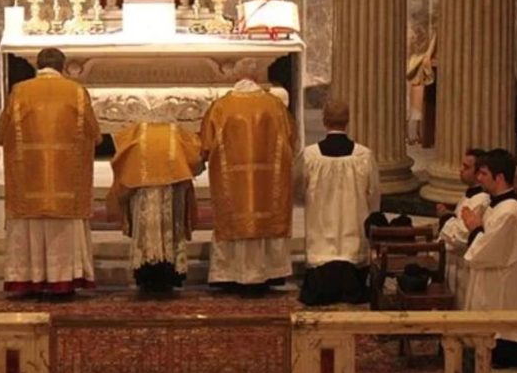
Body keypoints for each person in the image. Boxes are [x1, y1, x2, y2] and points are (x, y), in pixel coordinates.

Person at [0, 48, 102, 297]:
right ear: (63, 67)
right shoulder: (76, 91)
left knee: (29, 222)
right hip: (66, 181)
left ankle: (28, 278)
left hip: (29, 181)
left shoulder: (20, 91)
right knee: (64, 224)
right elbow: (94, 134)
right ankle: (63, 278)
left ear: (38, 65)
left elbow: (1, 134)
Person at [200, 58, 297, 294]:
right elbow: (291, 139)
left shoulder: (222, 107)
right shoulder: (274, 106)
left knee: (235, 218)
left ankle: (230, 272)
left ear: (236, 76)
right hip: (266, 184)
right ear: (256, 77)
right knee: (265, 215)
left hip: (234, 184)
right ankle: (269, 271)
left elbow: (205, 144)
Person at [294, 99, 382, 305]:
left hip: (320, 243)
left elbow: (298, 191)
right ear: (348, 121)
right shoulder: (364, 155)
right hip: (353, 245)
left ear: (324, 120)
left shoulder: (309, 155)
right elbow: (374, 195)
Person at [460, 149, 517, 363]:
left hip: (502, 282)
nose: (479, 178)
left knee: (498, 331)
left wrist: (474, 227)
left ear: (500, 177)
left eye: (484, 174)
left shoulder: (510, 211)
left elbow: (486, 250)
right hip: (492, 277)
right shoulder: (497, 205)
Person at [106, 122, 204, 291]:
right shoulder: (177, 133)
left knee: (146, 228)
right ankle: (169, 271)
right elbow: (195, 159)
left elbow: (122, 160)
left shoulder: (135, 134)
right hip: (174, 179)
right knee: (171, 225)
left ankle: (146, 272)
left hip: (141, 180)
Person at [436, 147, 491, 307]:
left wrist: (446, 218)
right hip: (453, 265)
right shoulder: (469, 195)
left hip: (463, 269)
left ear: (478, 172)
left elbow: (461, 236)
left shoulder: (482, 200)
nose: (461, 170)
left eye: (466, 167)